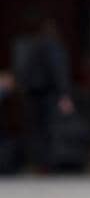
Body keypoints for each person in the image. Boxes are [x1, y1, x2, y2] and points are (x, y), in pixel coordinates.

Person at [18, 17, 73, 174]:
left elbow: (24, 71)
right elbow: (58, 71)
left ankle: (39, 163)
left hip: (33, 95)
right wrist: (65, 94)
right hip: (48, 94)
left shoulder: (33, 47)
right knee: (49, 130)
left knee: (36, 130)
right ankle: (49, 164)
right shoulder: (53, 47)